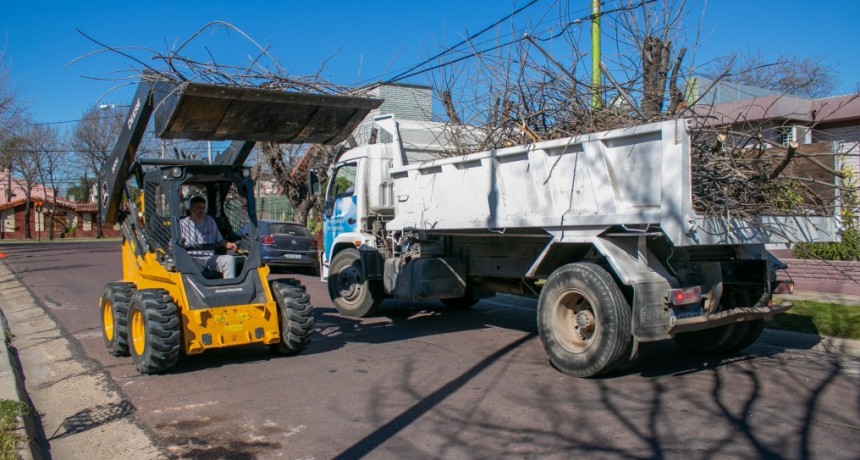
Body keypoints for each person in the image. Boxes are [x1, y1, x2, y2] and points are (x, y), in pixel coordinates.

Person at [179, 196, 238, 278]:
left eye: (204, 207)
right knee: (188, 264)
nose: (202, 210)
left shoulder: (210, 221)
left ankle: (230, 285)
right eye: (199, 207)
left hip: (210, 258)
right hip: (193, 258)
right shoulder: (182, 224)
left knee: (229, 260)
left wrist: (230, 245)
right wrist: (180, 242)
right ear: (191, 208)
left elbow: (220, 241)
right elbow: (172, 245)